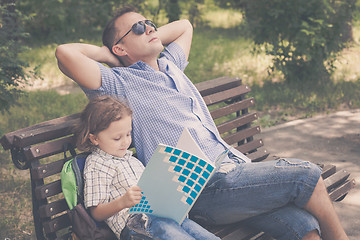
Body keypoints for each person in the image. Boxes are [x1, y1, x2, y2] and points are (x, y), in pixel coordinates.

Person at [56, 6, 349, 240]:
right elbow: (65, 53)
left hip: (234, 174)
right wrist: (109, 55)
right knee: (306, 176)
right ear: (120, 48)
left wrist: (144, 35)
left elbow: (185, 25)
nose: (149, 28)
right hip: (198, 190)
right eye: (137, 28)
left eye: (150, 23)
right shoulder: (119, 83)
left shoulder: (172, 64)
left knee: (303, 225)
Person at [75, 95, 220, 240]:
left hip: (163, 215)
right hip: (136, 224)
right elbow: (96, 213)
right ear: (94, 139)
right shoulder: (97, 164)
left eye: (128, 134)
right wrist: (122, 202)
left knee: (204, 236)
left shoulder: (131, 159)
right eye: (117, 138)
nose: (125, 142)